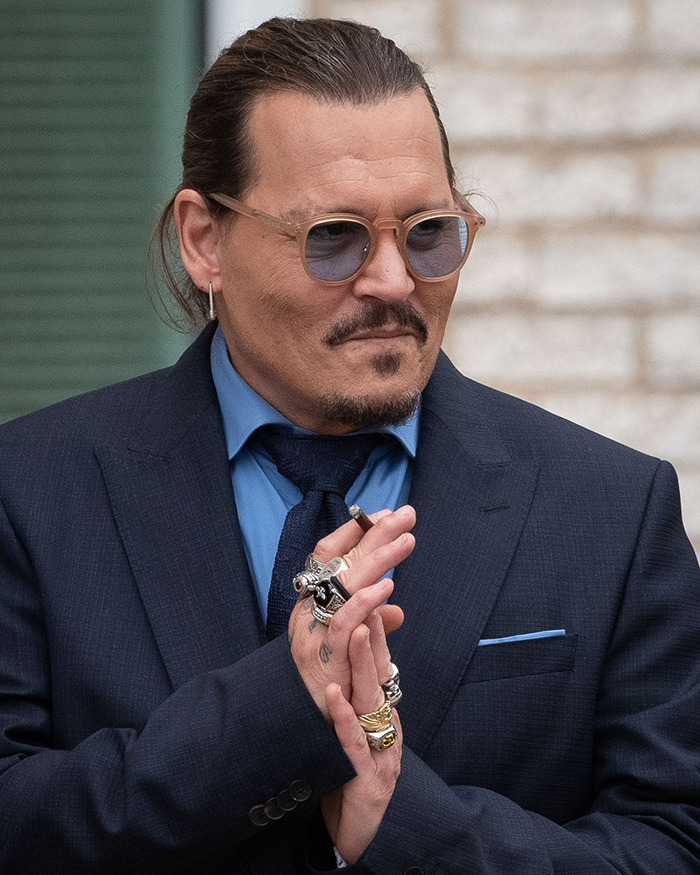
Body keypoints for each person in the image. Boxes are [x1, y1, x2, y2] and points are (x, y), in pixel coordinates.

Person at [0, 16, 698, 875]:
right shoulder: (29, 492)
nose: (394, 281)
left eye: (429, 233)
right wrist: (277, 713)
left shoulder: (611, 511)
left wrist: (405, 829)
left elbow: (674, 842)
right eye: (335, 238)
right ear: (203, 240)